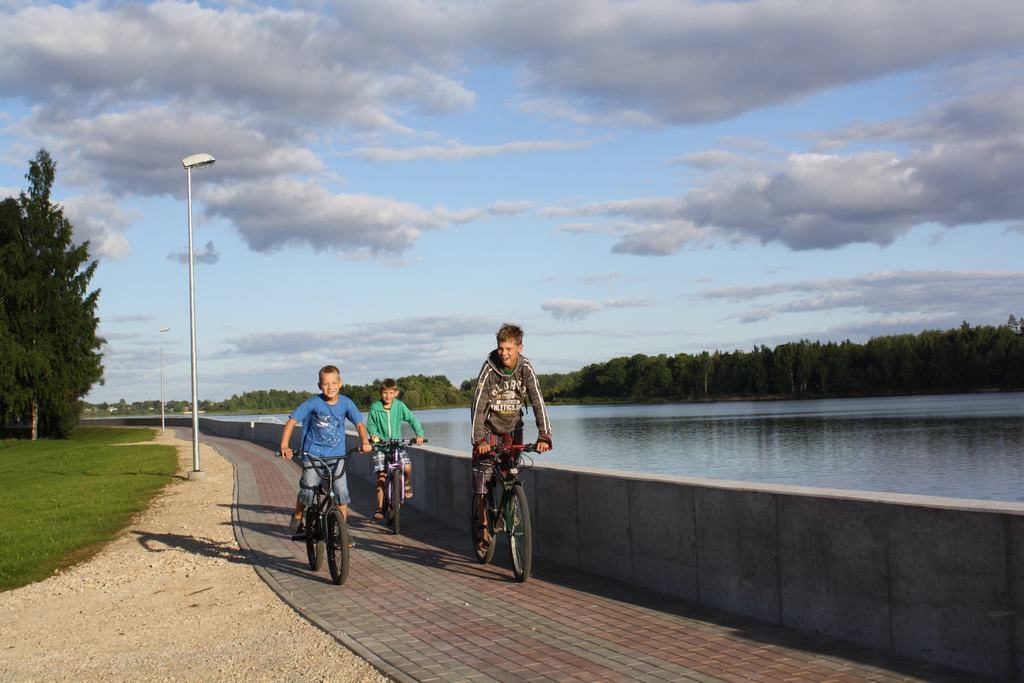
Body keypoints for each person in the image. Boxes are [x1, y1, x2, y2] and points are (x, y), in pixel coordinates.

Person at [470, 323, 552, 553]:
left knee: (511, 471)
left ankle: (512, 505)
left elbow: (537, 400)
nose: (504, 353)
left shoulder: (526, 368)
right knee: (483, 479)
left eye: (508, 348)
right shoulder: (489, 369)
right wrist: (479, 440)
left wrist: (544, 435)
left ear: (519, 347)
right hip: (488, 430)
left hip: (513, 428)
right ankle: (483, 525)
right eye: (500, 348)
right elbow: (477, 406)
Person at [279, 365, 372, 535]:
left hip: (337, 457)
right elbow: (291, 422)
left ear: (340, 383)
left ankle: (342, 531)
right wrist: (284, 445)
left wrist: (365, 442)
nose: (330, 387)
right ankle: (298, 514)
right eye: (326, 384)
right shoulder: (313, 403)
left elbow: (359, 424)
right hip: (313, 455)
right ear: (319, 385)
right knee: (308, 490)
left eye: (334, 383)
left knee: (341, 492)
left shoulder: (346, 403)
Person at [367, 378, 425, 520]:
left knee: (407, 467)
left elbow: (412, 419)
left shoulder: (399, 406)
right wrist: (373, 434)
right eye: (385, 393)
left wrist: (419, 434)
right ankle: (380, 507)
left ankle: (407, 484)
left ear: (396, 393)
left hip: (397, 445)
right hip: (381, 446)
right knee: (381, 477)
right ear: (380, 393)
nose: (388, 396)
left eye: (391, 393)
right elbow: (371, 425)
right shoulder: (375, 408)